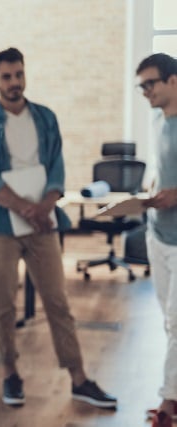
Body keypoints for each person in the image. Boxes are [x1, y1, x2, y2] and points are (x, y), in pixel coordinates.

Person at [0, 47, 117, 409]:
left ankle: (79, 378)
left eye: (19, 74)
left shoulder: (46, 118)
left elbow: (57, 171)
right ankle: (10, 374)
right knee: (3, 305)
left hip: (43, 223)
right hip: (2, 225)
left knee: (58, 302)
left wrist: (43, 208)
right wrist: (25, 208)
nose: (14, 82)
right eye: (7, 76)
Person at [137, 52, 177, 427]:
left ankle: (169, 402)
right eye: (142, 86)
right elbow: (159, 170)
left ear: (173, 81)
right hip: (158, 234)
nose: (145, 90)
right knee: (169, 321)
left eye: (151, 83)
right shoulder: (156, 122)